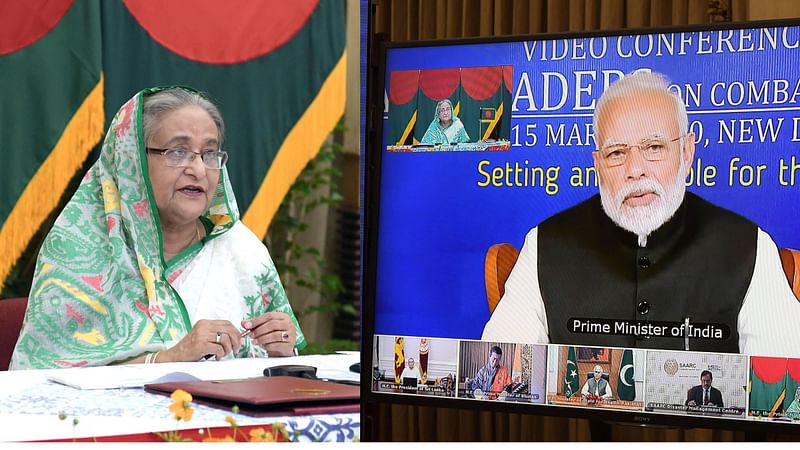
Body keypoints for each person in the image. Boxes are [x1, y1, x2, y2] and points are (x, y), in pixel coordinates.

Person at [481, 71, 800, 357]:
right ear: (598, 164)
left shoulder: (748, 246)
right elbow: (502, 368)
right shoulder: (545, 243)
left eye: (654, 147)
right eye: (617, 153)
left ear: (687, 152)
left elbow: (782, 389)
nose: (635, 170)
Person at [10, 87, 306, 369]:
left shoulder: (241, 249)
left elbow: (275, 379)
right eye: (178, 152)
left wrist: (281, 353)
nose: (199, 170)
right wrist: (170, 358)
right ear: (132, 159)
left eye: (209, 154)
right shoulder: (79, 249)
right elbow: (43, 381)